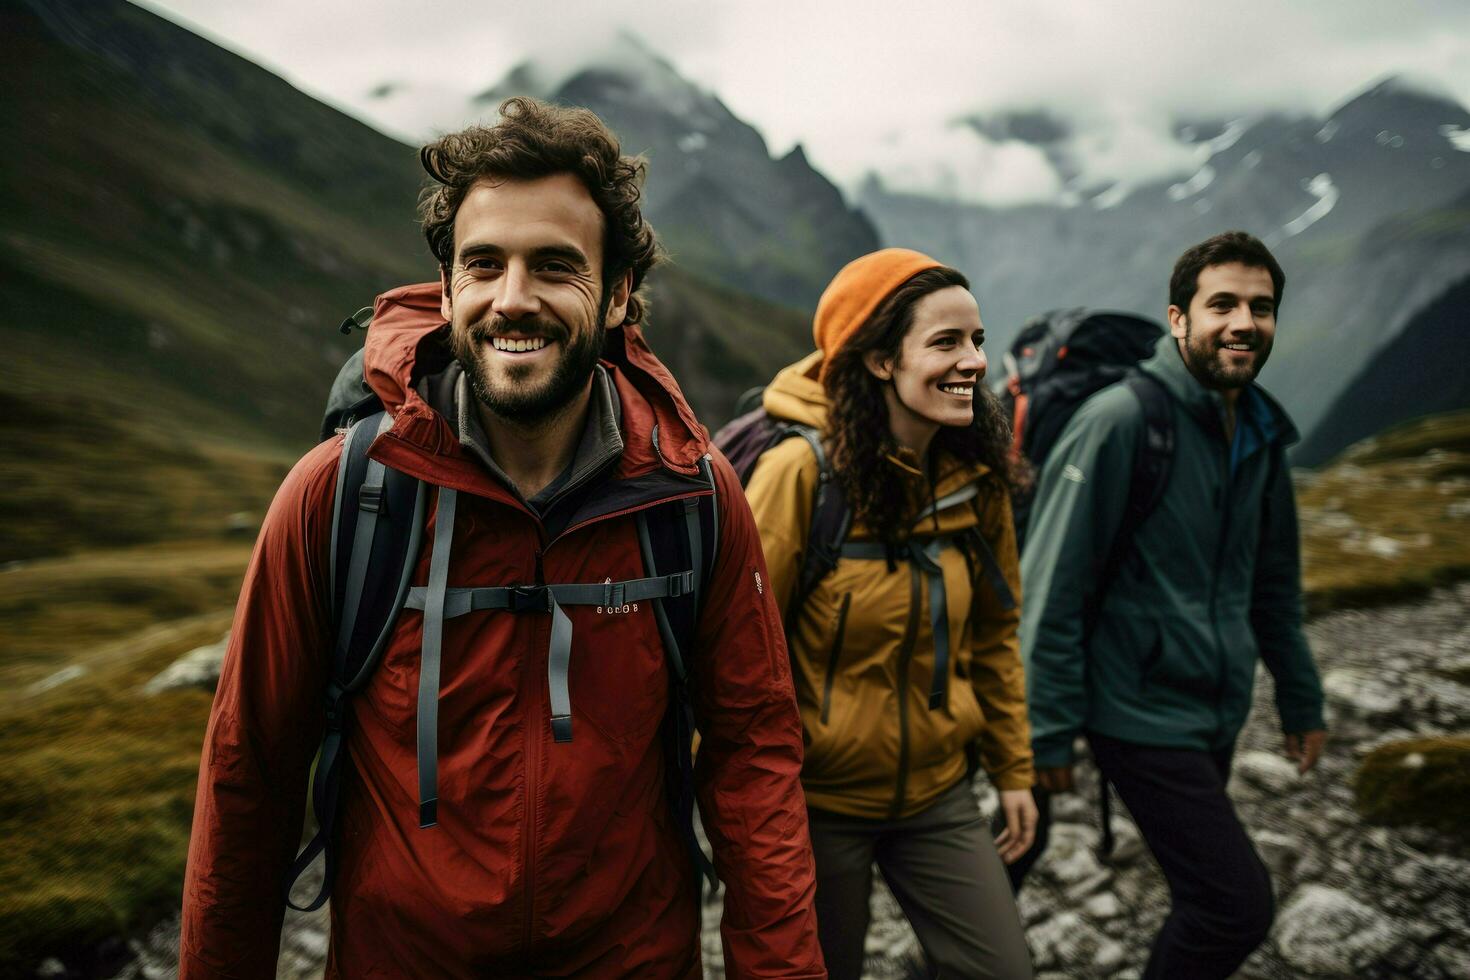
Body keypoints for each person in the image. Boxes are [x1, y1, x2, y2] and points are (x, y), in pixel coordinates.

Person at [179, 97, 826, 979]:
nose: (512, 300)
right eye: (484, 266)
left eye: (555, 266)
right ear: (446, 291)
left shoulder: (693, 497)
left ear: (618, 296)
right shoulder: (341, 495)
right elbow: (248, 774)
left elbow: (754, 755)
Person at [1020, 230, 1327, 978]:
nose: (1243, 322)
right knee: (1235, 904)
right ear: (1179, 319)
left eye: (1262, 307)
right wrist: (1048, 730)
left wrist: (1301, 696)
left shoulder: (1258, 430)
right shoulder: (1120, 423)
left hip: (1211, 704)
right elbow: (1050, 589)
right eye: (1221, 303)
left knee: (1198, 893)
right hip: (1134, 709)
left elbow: (1274, 584)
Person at [745, 249, 1037, 980]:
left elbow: (996, 635)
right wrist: (740, 817)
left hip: (939, 794)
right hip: (817, 808)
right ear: (879, 360)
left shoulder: (978, 481)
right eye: (945, 343)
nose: (973, 361)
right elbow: (733, 657)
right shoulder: (801, 476)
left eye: (976, 339)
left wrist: (1013, 768)